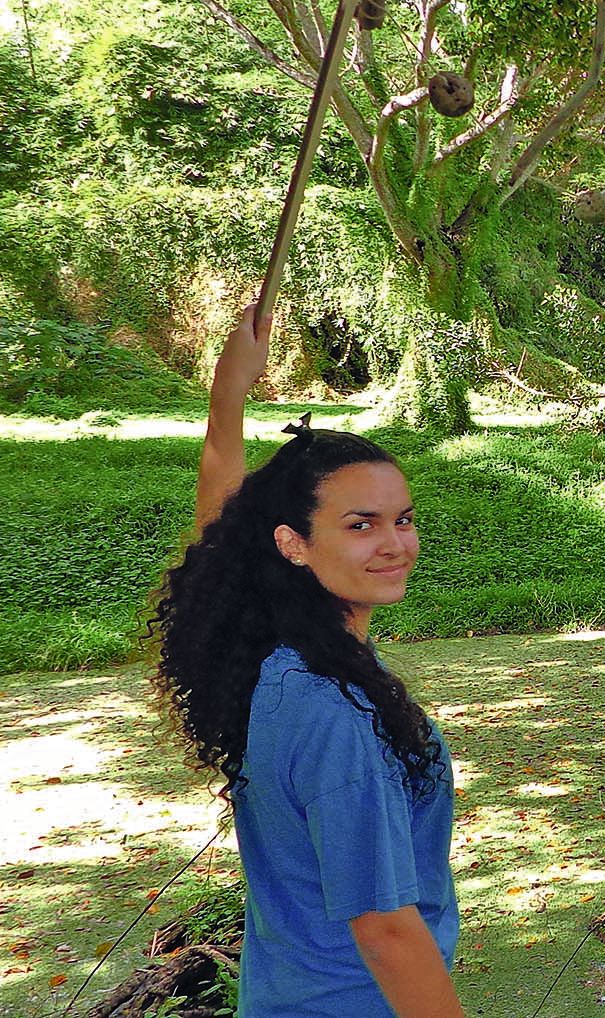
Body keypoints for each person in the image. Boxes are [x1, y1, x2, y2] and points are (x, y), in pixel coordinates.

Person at [149, 300, 462, 1018]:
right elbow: (384, 929)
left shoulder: (284, 655)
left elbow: (223, 530)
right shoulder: (333, 709)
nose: (394, 544)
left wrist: (226, 401)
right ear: (293, 543)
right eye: (361, 525)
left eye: (402, 519)